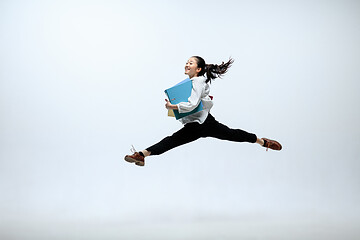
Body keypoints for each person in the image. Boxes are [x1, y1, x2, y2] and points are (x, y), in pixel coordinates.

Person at [124, 56, 282, 166]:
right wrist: (175, 106)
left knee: (233, 135)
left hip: (205, 123)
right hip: (194, 125)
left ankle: (263, 142)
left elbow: (193, 104)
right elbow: (190, 104)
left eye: (191, 63)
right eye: (186, 62)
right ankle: (141, 155)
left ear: (198, 69)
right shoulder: (189, 83)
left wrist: (172, 107)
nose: (187, 64)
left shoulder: (198, 81)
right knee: (171, 141)